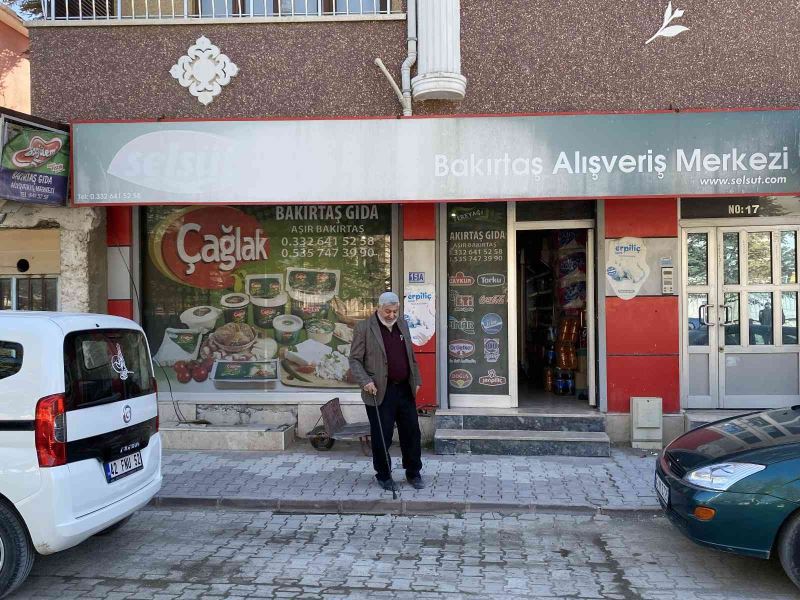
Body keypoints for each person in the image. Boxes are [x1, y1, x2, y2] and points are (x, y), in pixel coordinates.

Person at [349, 291, 424, 491]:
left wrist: (416, 379)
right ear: (379, 308)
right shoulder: (364, 327)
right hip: (379, 390)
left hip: (404, 389)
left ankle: (413, 472)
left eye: (395, 311)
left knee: (412, 432)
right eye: (388, 311)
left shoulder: (403, 325)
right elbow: (354, 359)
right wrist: (365, 381)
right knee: (383, 435)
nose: (391, 315)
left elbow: (411, 356)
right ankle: (384, 475)